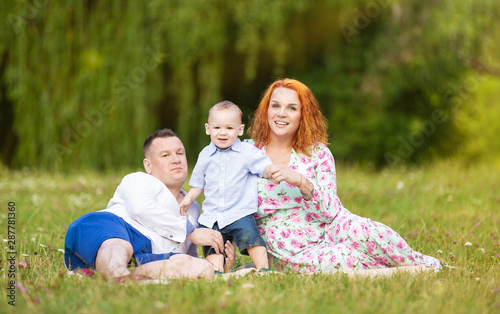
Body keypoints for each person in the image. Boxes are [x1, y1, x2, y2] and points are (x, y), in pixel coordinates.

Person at [246, 78, 442, 274]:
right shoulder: (246, 152)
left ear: (303, 115)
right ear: (266, 110)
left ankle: (428, 265)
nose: (281, 113)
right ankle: (406, 271)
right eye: (276, 105)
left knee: (372, 233)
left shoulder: (317, 153)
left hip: (329, 225)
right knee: (343, 260)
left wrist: (300, 181)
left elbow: (331, 211)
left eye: (291, 108)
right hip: (286, 243)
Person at [64, 129, 235, 282]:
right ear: (148, 165)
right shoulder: (138, 180)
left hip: (147, 254)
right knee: (119, 245)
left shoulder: (193, 208)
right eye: (165, 155)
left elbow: (184, 252)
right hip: (112, 227)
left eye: (180, 153)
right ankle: (117, 275)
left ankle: (129, 276)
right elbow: (140, 208)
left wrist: (219, 264)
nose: (175, 159)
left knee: (197, 268)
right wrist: (190, 232)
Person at [180, 101, 272, 273]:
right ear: (208, 129)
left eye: (229, 128)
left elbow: (263, 165)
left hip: (239, 212)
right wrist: (189, 198)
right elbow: (199, 184)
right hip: (212, 216)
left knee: (251, 239)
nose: (223, 133)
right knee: (212, 244)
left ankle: (263, 269)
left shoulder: (247, 152)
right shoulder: (205, 155)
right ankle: (216, 271)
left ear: (240, 130)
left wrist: (271, 170)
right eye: (217, 128)